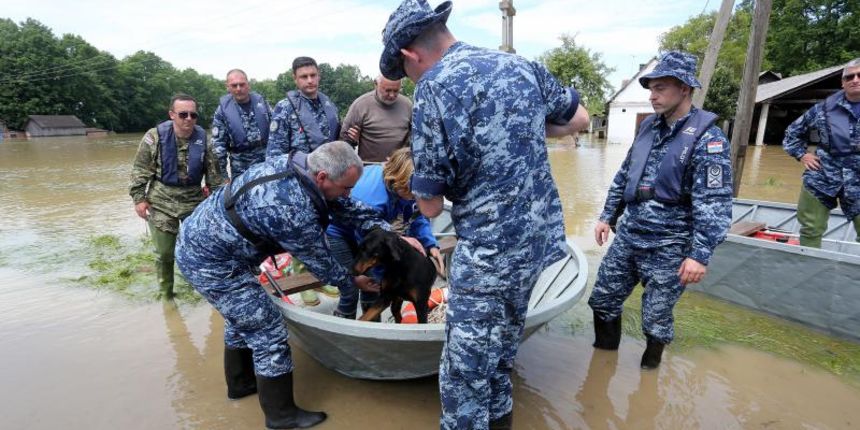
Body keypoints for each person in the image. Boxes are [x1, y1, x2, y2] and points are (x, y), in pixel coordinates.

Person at [379, 1, 589, 428]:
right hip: (537, 246)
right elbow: (580, 118)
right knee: (501, 358)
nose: (410, 79)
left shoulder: (433, 88)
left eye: (404, 72)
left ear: (409, 54)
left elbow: (430, 205)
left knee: (463, 377)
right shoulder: (522, 65)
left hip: (489, 254)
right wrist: (516, 129)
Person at [175, 141, 392, 429]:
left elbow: (346, 206)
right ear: (322, 177)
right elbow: (323, 264)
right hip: (210, 260)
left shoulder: (302, 170)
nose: (348, 194)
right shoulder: (290, 208)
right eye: (346, 187)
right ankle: (281, 415)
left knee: (241, 319)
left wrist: (386, 232)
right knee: (267, 328)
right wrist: (352, 281)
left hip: (211, 243)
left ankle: (241, 384)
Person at [587, 51, 733, 370]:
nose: (652, 96)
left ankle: (648, 376)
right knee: (603, 300)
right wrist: (607, 216)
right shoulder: (649, 128)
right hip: (629, 236)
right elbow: (625, 175)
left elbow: (715, 203)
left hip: (670, 246)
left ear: (684, 89)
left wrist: (699, 255)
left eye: (660, 88)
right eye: (651, 89)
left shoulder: (709, 140)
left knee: (655, 318)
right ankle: (602, 367)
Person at [326, 147, 443, 319]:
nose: (414, 197)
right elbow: (369, 242)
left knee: (372, 287)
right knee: (350, 287)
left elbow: (416, 216)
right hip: (340, 232)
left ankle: (372, 328)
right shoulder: (371, 197)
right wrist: (386, 280)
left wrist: (430, 244)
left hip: (372, 234)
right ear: (397, 180)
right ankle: (346, 326)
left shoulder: (404, 189)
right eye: (411, 193)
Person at [128, 94, 223, 300]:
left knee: (200, 249)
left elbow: (215, 177)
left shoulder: (205, 141)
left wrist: (219, 206)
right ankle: (166, 295)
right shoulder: (154, 137)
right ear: (172, 115)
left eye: (193, 115)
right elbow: (140, 170)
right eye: (183, 114)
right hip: (161, 200)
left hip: (194, 201)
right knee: (165, 253)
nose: (188, 119)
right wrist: (139, 199)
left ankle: (201, 290)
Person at [782, 58, 860, 248]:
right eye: (850, 77)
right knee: (810, 228)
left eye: (859, 75)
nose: (855, 80)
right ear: (842, 82)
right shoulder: (822, 109)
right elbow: (792, 133)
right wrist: (802, 154)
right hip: (822, 177)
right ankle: (808, 265)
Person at [267, 56, 341, 158]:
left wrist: (351, 139)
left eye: (313, 75)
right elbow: (273, 156)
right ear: (295, 79)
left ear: (318, 76)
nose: (310, 80)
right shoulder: (284, 109)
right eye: (304, 77)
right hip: (300, 167)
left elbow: (338, 142)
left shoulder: (330, 106)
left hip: (331, 164)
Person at [211, 69, 272, 179]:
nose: (238, 89)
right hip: (241, 168)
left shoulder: (263, 104)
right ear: (227, 87)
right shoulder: (221, 112)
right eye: (234, 85)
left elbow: (277, 133)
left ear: (248, 85)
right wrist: (224, 177)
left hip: (267, 162)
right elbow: (219, 147)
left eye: (242, 84)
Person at [340, 76, 412, 162]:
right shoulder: (360, 105)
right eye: (388, 90)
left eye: (396, 91)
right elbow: (344, 140)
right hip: (369, 165)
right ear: (376, 85)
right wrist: (354, 142)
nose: (392, 95)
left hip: (399, 166)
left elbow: (415, 138)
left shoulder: (407, 105)